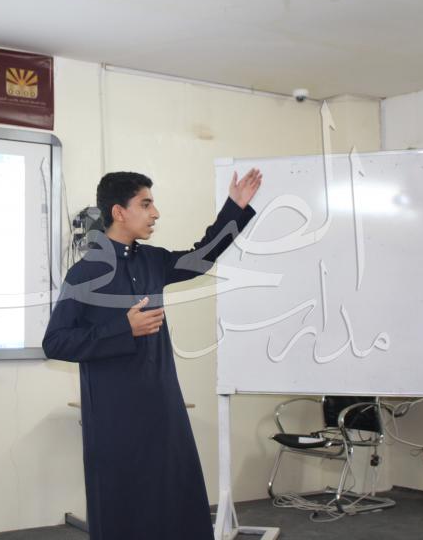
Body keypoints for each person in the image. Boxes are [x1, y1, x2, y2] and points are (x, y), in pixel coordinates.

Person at [42, 168, 262, 540]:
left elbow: (201, 257)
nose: (155, 213)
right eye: (145, 204)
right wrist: (122, 329)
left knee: (174, 494)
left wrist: (235, 208)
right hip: (115, 417)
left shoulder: (152, 261)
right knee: (124, 502)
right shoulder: (84, 273)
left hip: (162, 405)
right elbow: (56, 342)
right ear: (118, 212)